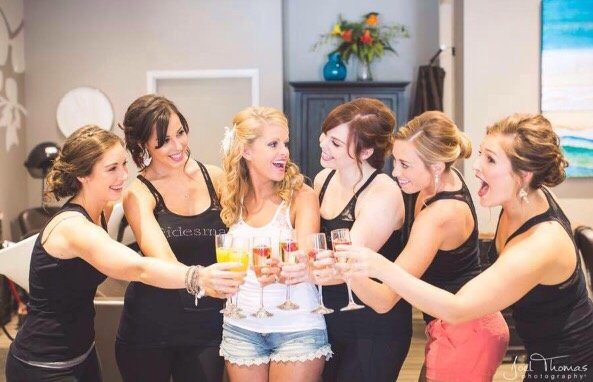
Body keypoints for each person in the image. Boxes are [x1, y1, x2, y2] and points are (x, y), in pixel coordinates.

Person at [343, 113, 593, 381]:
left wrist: (378, 266)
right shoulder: (526, 199)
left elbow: (458, 308)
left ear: (524, 175)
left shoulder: (540, 243)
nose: (475, 166)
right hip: (542, 354)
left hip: (570, 364)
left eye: (490, 159)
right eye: (481, 154)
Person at [5, 125, 244, 382]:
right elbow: (137, 268)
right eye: (111, 169)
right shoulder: (72, 227)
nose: (122, 175)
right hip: (43, 364)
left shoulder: (101, 212)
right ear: (83, 175)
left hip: (83, 355)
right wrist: (199, 277)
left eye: (122, 165)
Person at [327, 111, 510, 382]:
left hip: (467, 331)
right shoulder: (440, 181)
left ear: (436, 166)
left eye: (405, 164)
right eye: (395, 161)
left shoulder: (440, 215)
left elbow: (384, 300)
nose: (395, 172)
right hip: (457, 324)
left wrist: (348, 265)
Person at [115, 95, 231, 382]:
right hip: (150, 327)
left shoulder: (214, 178)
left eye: (180, 133)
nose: (178, 146)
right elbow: (164, 262)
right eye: (163, 141)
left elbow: (242, 235)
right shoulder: (138, 193)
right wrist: (206, 278)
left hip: (208, 326)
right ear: (143, 145)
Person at [219, 106, 332, 382]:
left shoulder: (301, 197)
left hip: (297, 328)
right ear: (246, 151)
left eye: (285, 143)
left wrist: (285, 266)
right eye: (273, 144)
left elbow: (305, 255)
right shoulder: (230, 194)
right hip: (240, 327)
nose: (284, 152)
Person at [312, 97, 411, 382]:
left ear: (365, 151)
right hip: (329, 317)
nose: (323, 145)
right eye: (325, 135)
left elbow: (347, 261)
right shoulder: (322, 180)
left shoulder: (382, 192)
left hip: (372, 325)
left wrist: (295, 270)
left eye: (335, 143)